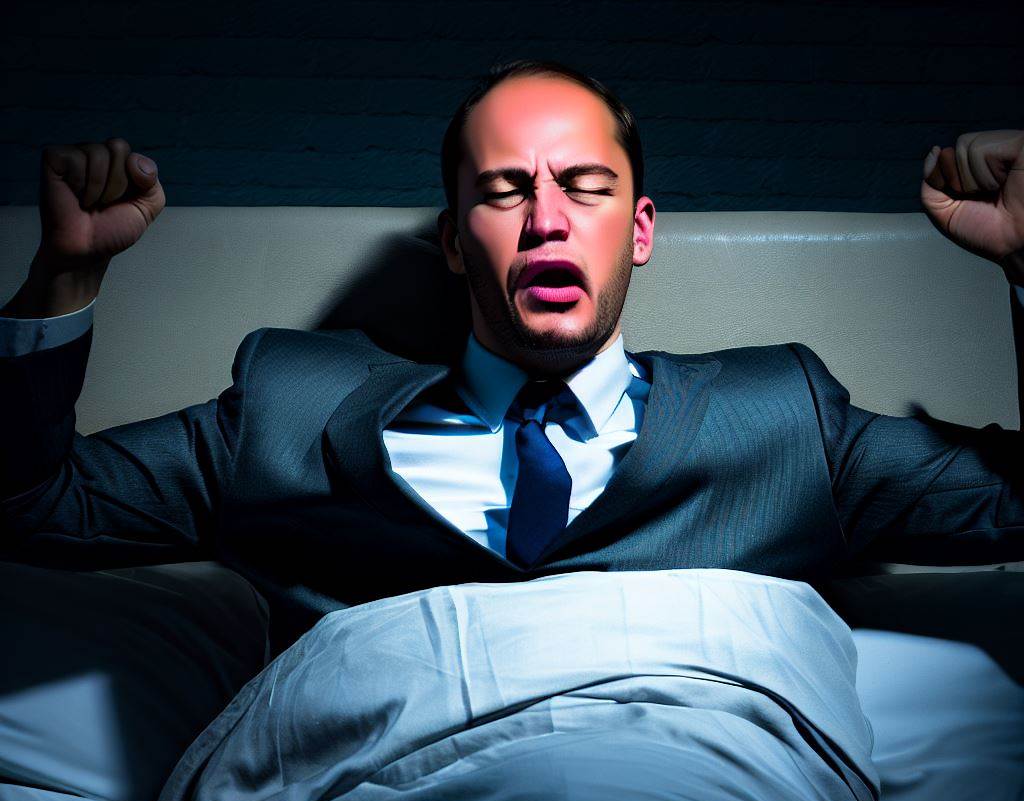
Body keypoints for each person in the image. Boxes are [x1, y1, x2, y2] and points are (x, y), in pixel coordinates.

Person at [2, 59, 1023, 659]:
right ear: (454, 242)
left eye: (585, 186)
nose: (545, 220)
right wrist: (64, 275)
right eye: (503, 191)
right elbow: (31, 502)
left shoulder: (785, 419)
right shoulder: (287, 406)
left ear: (639, 230)